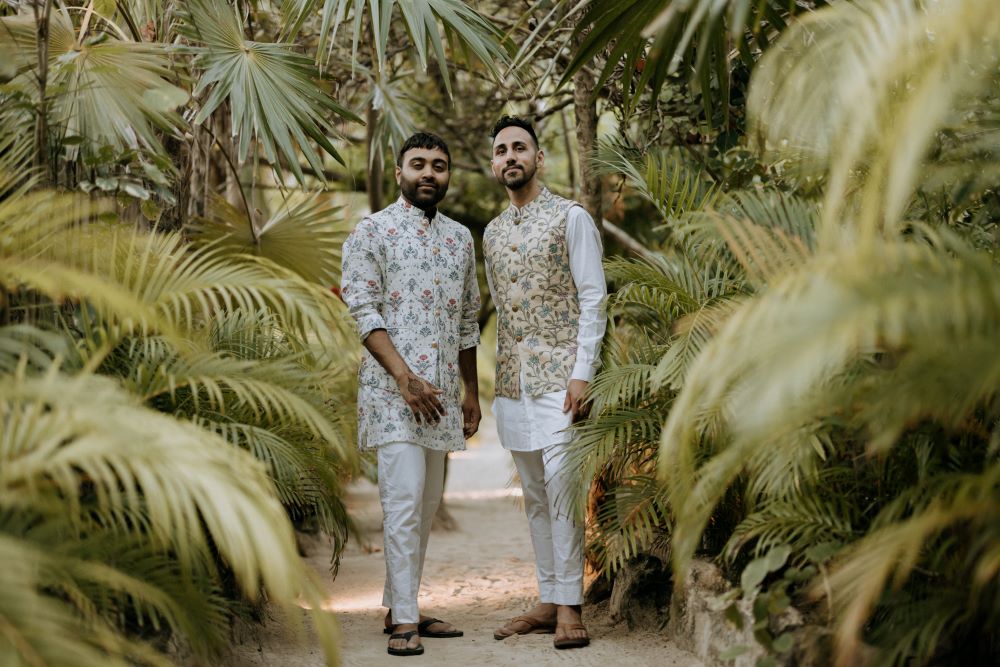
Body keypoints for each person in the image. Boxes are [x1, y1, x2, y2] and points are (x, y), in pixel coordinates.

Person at [341, 132, 481, 657]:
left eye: (439, 165)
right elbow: (364, 311)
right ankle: (403, 619)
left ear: (448, 176)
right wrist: (404, 378)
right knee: (401, 504)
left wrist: (470, 390)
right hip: (392, 395)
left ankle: (404, 605)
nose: (429, 173)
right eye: (418, 164)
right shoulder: (372, 231)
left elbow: (468, 319)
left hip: (441, 399)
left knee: (423, 506)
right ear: (400, 172)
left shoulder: (460, 239)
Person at [483, 116, 607, 650]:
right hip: (514, 383)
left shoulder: (571, 217)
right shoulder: (490, 233)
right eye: (502, 150)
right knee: (534, 495)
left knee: (561, 491)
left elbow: (594, 297)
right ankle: (548, 598)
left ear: (539, 158)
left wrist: (583, 373)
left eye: (520, 148)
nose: (511, 156)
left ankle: (572, 608)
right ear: (493, 165)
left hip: (561, 381)